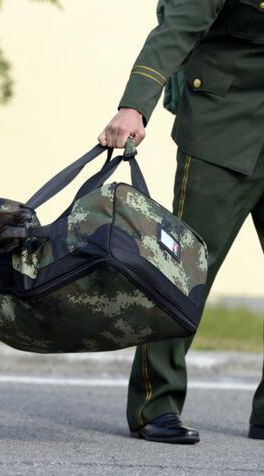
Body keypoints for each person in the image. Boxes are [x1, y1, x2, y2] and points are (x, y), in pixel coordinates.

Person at [99, 0, 264, 444]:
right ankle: (156, 405)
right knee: (183, 271)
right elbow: (177, 29)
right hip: (223, 125)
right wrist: (135, 106)